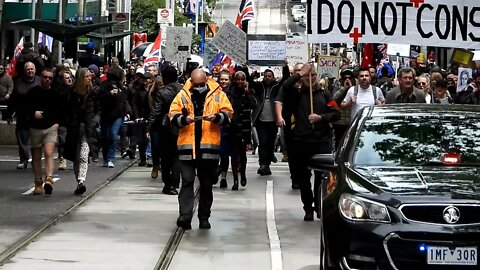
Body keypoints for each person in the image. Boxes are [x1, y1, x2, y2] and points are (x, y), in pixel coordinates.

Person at [169, 68, 233, 230]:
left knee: (206, 185)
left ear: (206, 80)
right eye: (196, 84)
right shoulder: (182, 95)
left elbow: (228, 114)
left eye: (201, 84)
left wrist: (217, 117)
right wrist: (184, 119)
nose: (199, 87)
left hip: (208, 149)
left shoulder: (218, 94)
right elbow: (172, 115)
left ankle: (204, 216)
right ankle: (185, 215)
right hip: (187, 148)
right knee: (187, 181)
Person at [277, 63, 340, 221]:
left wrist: (321, 118)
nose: (310, 79)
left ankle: (319, 205)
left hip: (321, 140)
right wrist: (299, 74)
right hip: (302, 139)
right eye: (307, 76)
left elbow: (336, 113)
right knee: (304, 176)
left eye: (313, 76)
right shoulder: (296, 94)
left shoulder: (325, 94)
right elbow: (285, 85)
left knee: (321, 176)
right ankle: (308, 207)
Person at [146, 64, 182, 194]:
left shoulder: (162, 92)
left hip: (166, 127)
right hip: (181, 125)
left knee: (166, 157)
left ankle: (168, 184)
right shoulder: (183, 90)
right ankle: (176, 181)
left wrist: (148, 127)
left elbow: (156, 111)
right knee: (177, 156)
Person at [25, 68, 61, 195]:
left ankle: (49, 178)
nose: (47, 80)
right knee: (36, 155)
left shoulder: (55, 94)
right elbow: (25, 108)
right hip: (35, 127)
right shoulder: (33, 92)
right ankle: (38, 181)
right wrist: (33, 113)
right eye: (45, 77)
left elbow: (59, 110)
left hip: (50, 126)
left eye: (50, 78)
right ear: (41, 77)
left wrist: (57, 123)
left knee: (49, 152)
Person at [62, 68, 97, 195]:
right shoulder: (71, 93)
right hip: (74, 127)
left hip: (88, 127)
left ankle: (82, 180)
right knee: (76, 156)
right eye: (86, 76)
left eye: (90, 76)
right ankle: (79, 182)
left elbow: (99, 109)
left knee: (83, 154)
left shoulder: (93, 92)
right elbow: (65, 110)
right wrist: (68, 121)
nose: (89, 78)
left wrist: (95, 121)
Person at [224, 71, 257, 190]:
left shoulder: (247, 92)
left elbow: (254, 104)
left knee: (243, 155)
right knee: (233, 155)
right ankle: (235, 180)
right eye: (238, 79)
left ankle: (242, 174)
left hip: (244, 127)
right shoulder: (229, 92)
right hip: (232, 127)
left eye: (242, 79)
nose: (240, 82)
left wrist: (247, 91)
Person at [6, 62, 41, 169]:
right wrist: (9, 113)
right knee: (22, 139)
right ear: (24, 71)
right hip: (22, 115)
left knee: (36, 141)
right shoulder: (18, 82)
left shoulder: (40, 81)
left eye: (32, 69)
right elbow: (13, 100)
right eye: (28, 69)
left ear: (35, 70)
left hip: (37, 116)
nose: (30, 71)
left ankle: (36, 160)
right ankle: (23, 159)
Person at [99, 67, 131, 168]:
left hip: (118, 115)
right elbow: (99, 97)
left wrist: (127, 112)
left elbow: (124, 101)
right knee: (106, 137)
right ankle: (106, 157)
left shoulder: (121, 87)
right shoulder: (104, 86)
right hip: (106, 115)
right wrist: (109, 94)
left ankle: (110, 158)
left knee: (113, 135)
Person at [251, 69, 279, 176]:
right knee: (263, 142)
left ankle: (267, 163)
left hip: (273, 120)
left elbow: (286, 81)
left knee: (271, 143)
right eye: (265, 76)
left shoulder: (276, 87)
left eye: (269, 76)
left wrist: (285, 67)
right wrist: (252, 74)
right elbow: (251, 82)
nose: (267, 78)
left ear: (273, 77)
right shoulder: (259, 86)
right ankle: (263, 165)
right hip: (261, 120)